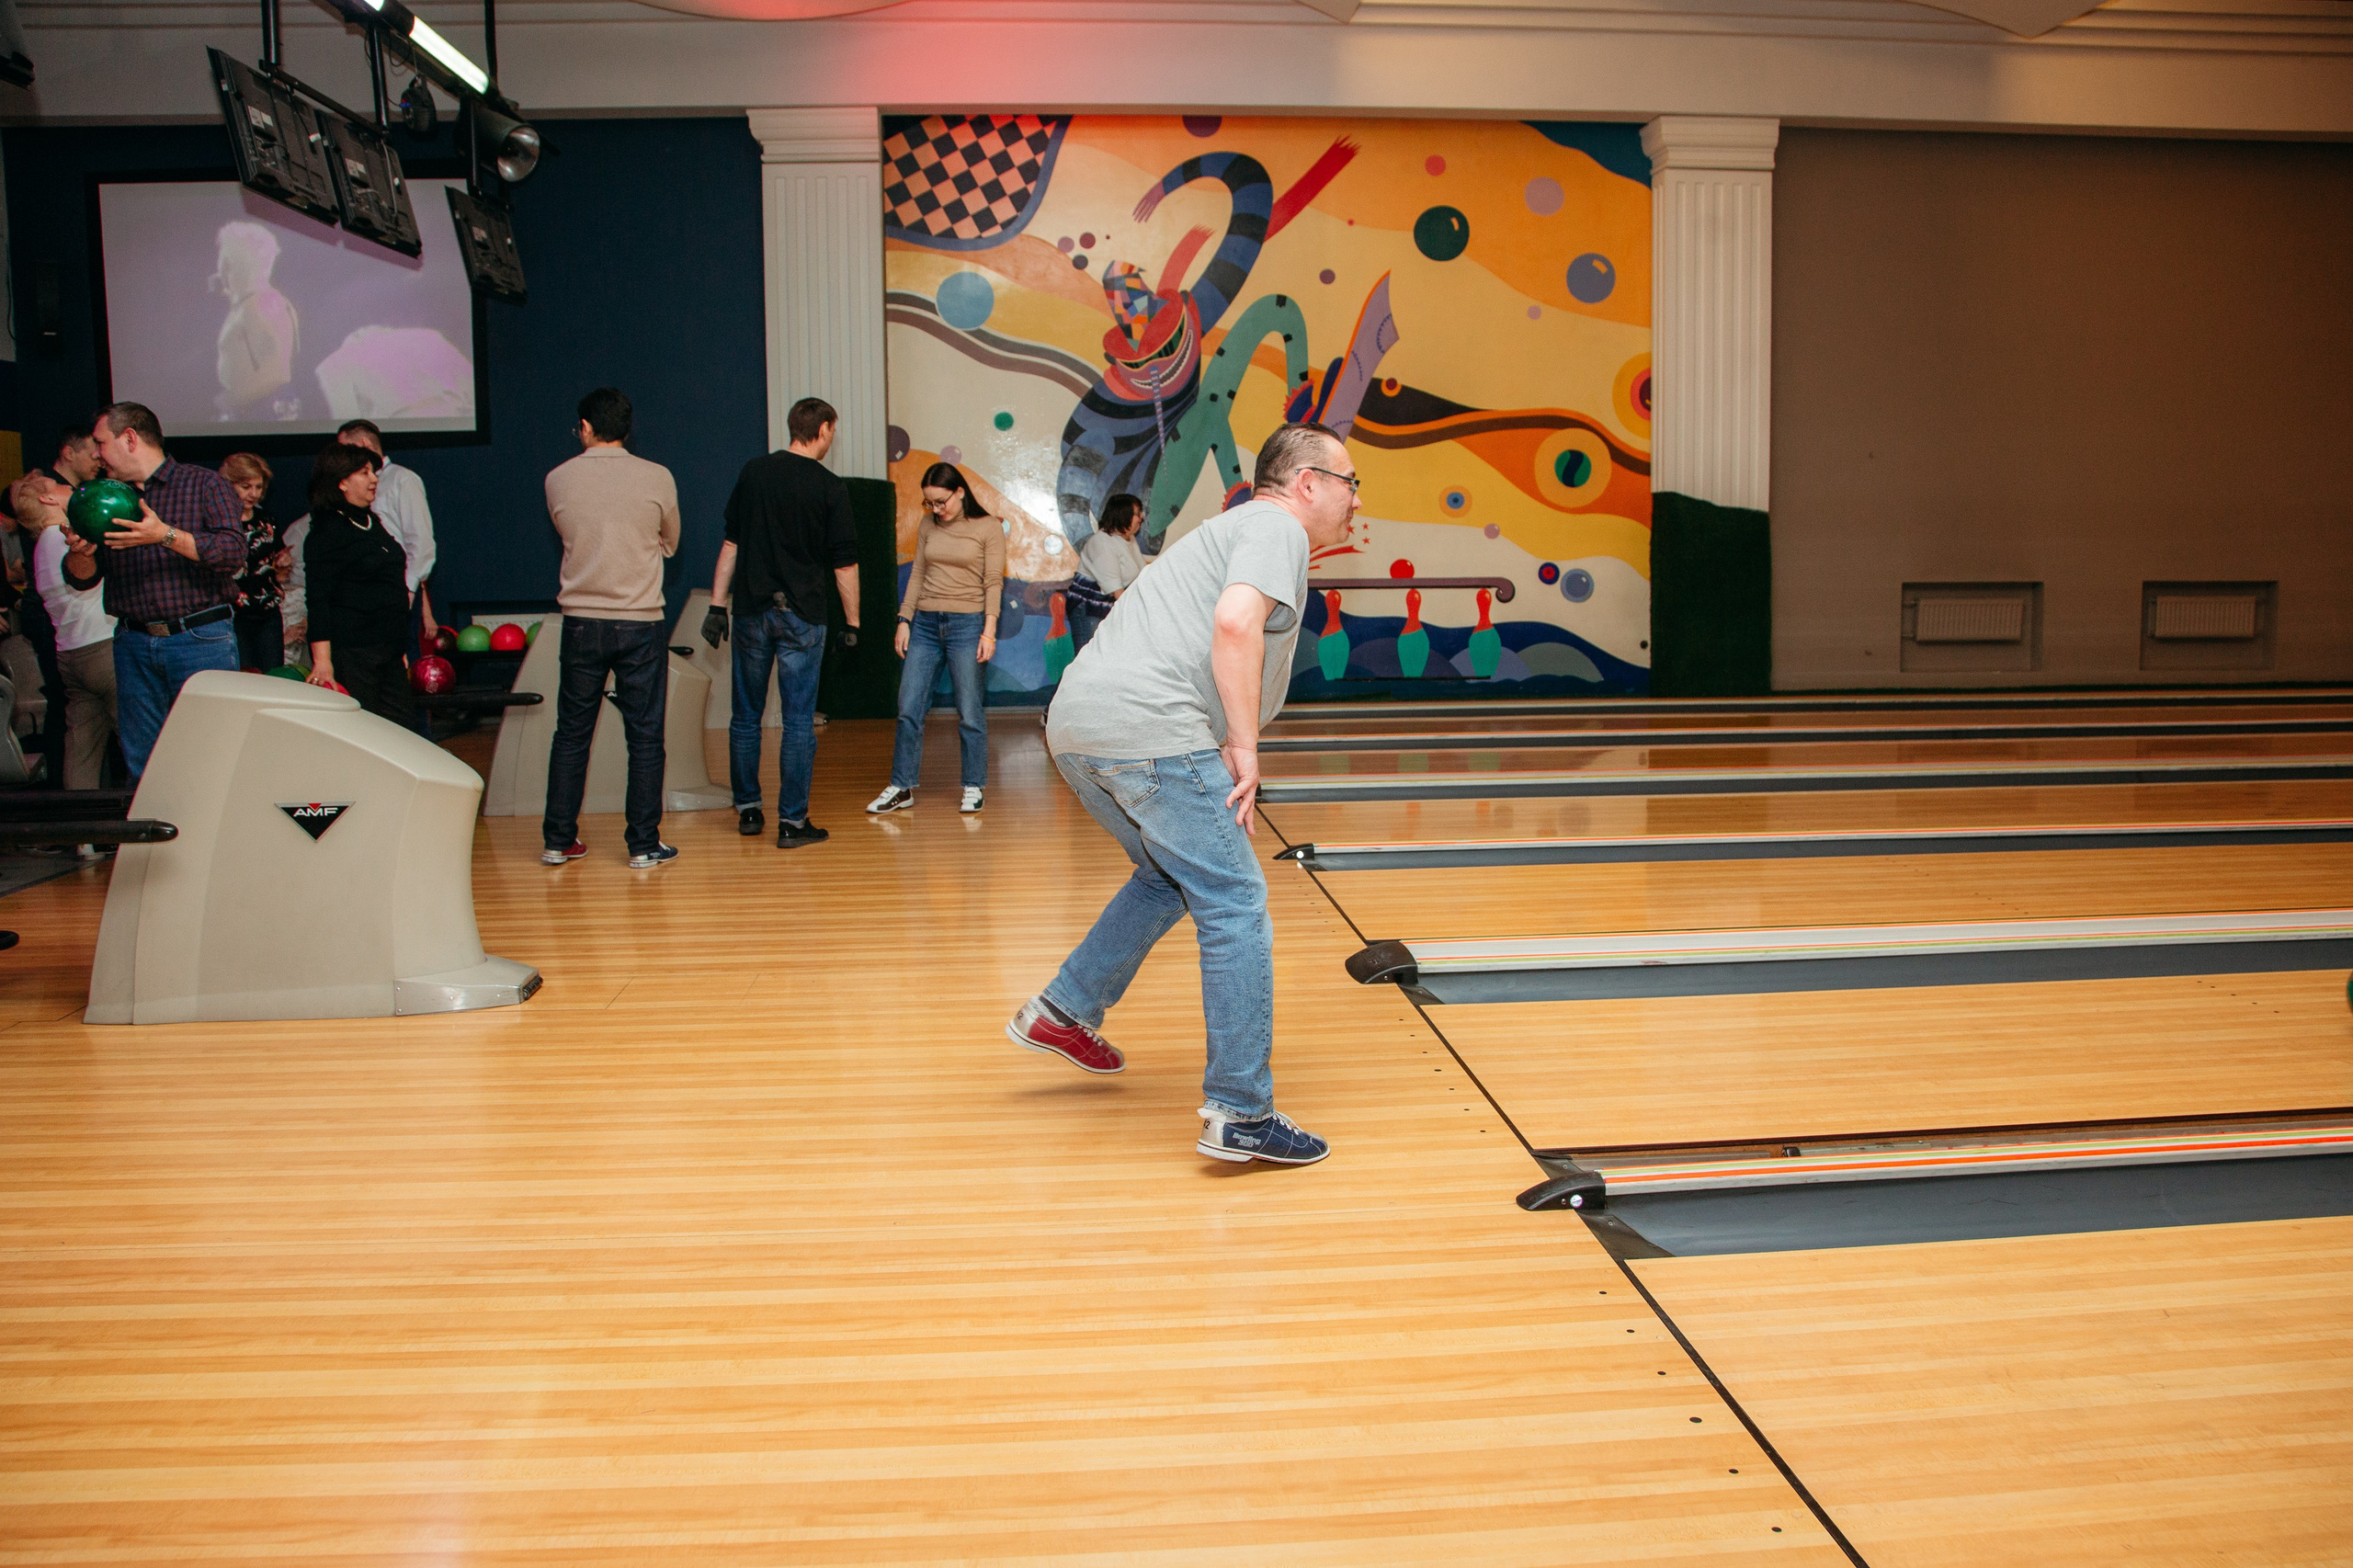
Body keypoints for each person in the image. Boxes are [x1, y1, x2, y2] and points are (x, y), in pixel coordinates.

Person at [1008, 423, 1360, 1168]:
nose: (1356, 499)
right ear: (1306, 483)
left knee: (1167, 877)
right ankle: (1241, 1112)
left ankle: (1064, 1008)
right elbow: (1235, 623)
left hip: (1079, 726)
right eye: (1349, 482)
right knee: (1234, 900)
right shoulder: (1276, 527)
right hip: (1151, 728)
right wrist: (1244, 746)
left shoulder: (1229, 529)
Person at [706, 395, 861, 849]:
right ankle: (792, 824)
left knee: (745, 717)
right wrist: (853, 622)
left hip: (751, 612)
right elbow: (845, 565)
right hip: (804, 616)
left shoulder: (754, 472)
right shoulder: (830, 486)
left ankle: (749, 811)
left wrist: (716, 605)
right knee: (797, 723)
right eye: (833, 432)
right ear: (824, 429)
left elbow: (731, 544)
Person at [58, 402, 245, 779]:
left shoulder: (204, 484)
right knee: (143, 762)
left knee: (211, 755)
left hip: (200, 639)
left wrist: (164, 535)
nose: (96, 454)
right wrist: (80, 553)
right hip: (134, 643)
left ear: (129, 439)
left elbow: (232, 553)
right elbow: (82, 579)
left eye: (101, 443)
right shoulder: (106, 498)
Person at [541, 386, 681, 870]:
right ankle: (643, 844)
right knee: (645, 737)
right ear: (627, 427)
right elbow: (671, 542)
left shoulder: (557, 479)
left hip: (581, 622)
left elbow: (569, 533)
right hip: (640, 621)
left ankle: (558, 840)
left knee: (571, 734)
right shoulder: (658, 476)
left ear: (584, 428)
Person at [867, 463, 1002, 817]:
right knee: (908, 707)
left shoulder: (988, 527)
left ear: (960, 492)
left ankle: (973, 784)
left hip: (968, 625)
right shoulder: (928, 525)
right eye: (930, 503)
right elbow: (918, 574)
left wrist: (989, 631)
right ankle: (902, 786)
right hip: (925, 625)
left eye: (942, 502)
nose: (936, 509)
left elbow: (993, 582)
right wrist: (904, 620)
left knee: (969, 710)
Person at [12, 472, 118, 792]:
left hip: (71, 655)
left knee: (82, 748)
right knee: (138, 737)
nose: (72, 488)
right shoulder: (67, 539)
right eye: (61, 486)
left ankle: (82, 824)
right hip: (102, 648)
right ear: (48, 499)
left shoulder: (41, 547)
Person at [301, 442, 414, 728]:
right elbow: (318, 600)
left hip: (389, 650)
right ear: (342, 482)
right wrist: (323, 662)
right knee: (367, 731)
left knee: (402, 731)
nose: (374, 479)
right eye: (364, 472)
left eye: (373, 472)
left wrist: (398, 648)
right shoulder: (327, 532)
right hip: (354, 654)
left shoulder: (371, 522)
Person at [336, 419, 438, 683]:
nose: (342, 456)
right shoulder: (347, 485)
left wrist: (408, 589)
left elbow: (421, 543)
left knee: (404, 670)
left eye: (345, 448)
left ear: (363, 444)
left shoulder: (402, 479)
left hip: (398, 589)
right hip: (365, 593)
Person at [220, 452, 289, 672]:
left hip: (268, 613)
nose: (254, 494)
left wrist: (283, 561)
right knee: (243, 677)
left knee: (273, 676)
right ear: (228, 485)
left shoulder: (267, 520)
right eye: (246, 487)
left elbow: (277, 558)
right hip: (234, 615)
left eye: (258, 487)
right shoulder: (219, 524)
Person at [1065, 491, 1146, 653]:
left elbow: (1142, 573)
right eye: (1137, 513)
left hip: (1106, 607)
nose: (1141, 517)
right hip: (1088, 608)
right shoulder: (1102, 542)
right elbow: (1117, 591)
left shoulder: (1127, 539)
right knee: (1088, 658)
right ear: (1122, 514)